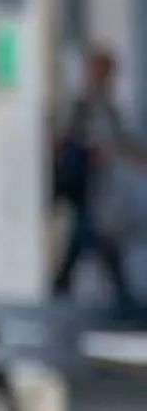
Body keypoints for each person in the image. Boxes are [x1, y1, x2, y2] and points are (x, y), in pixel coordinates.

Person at [52, 45, 139, 308]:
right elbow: (67, 142)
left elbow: (121, 142)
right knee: (94, 237)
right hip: (86, 185)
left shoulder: (109, 108)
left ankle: (62, 287)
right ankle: (121, 295)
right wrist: (89, 153)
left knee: (90, 238)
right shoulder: (82, 107)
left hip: (103, 189)